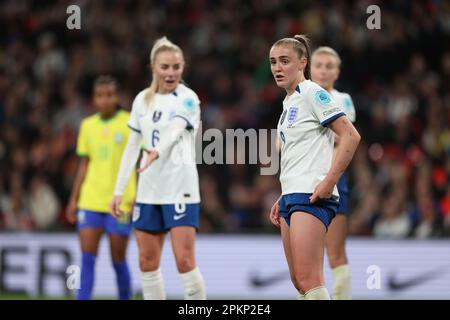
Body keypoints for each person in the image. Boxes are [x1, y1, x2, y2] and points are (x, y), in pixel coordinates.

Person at [111, 36, 206, 300]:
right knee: (147, 261)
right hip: (149, 189)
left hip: (180, 187)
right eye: (165, 67)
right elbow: (131, 148)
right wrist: (119, 190)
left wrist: (156, 150)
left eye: (176, 66)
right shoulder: (142, 100)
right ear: (153, 67)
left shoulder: (188, 99)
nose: (171, 72)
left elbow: (176, 128)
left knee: (184, 261)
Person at [268, 35, 361, 300]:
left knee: (310, 278)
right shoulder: (289, 102)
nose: (277, 68)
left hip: (312, 194)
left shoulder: (312, 92)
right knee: (299, 280)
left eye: (285, 61)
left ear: (302, 63)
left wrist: (329, 182)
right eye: (273, 62)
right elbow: (300, 155)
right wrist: (283, 194)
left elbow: (350, 136)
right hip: (292, 193)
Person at [66, 75, 136, 300]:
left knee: (118, 260)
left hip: (120, 202)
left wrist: (136, 197)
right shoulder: (87, 125)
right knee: (87, 259)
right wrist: (73, 199)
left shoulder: (130, 123)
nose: (104, 100)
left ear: (116, 97)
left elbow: (138, 163)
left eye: (109, 95)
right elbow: (84, 165)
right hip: (90, 200)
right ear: (94, 98)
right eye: (100, 95)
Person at [311, 46, 356, 300]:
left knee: (335, 253)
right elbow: (282, 144)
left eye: (329, 66)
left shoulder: (342, 100)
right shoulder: (298, 98)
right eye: (319, 65)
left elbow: (342, 141)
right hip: (304, 181)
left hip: (334, 182)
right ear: (310, 69)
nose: (324, 70)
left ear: (337, 72)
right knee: (307, 256)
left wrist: (332, 179)